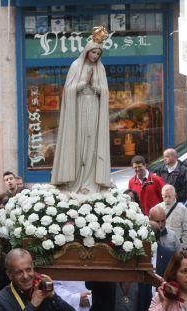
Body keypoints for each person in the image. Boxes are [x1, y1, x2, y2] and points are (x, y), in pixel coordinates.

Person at [51, 31, 111, 193]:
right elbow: (68, 90)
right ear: (86, 51)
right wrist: (83, 83)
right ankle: (75, 180)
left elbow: (105, 91)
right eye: (93, 52)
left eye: (98, 53)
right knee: (78, 143)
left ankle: (90, 181)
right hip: (77, 109)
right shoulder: (76, 66)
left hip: (94, 108)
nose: (95, 56)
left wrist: (97, 87)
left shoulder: (101, 68)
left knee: (92, 143)